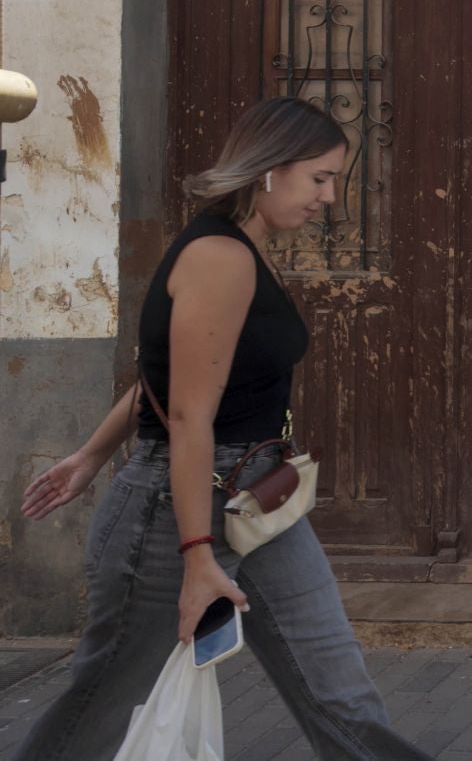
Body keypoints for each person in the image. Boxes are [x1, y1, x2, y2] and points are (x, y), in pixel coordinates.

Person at [13, 97, 430, 760]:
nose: (328, 197)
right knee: (103, 704)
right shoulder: (220, 255)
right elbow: (187, 414)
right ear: (268, 169)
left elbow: (172, 378)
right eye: (319, 178)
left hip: (259, 499)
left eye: (334, 181)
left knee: (339, 693)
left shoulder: (250, 252)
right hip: (174, 514)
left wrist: (91, 454)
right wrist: (198, 555)